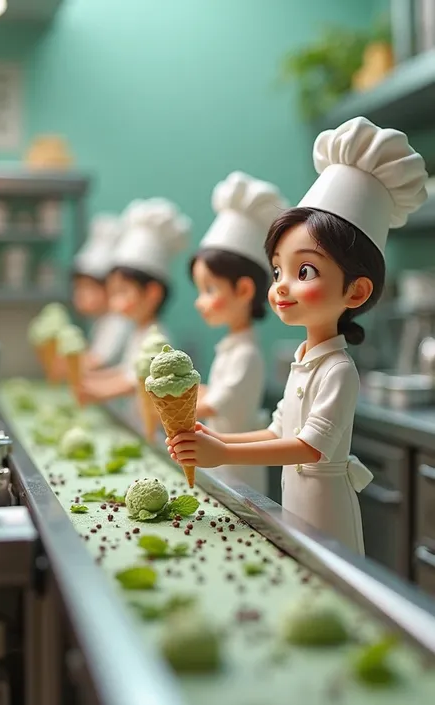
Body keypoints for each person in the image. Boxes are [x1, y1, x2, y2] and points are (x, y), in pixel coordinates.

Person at [167, 116, 428, 554]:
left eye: (303, 270)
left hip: (326, 506)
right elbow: (277, 429)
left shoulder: (339, 370)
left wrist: (224, 453)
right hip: (297, 501)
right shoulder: (307, 359)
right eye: (277, 270)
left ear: (356, 290)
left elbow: (308, 447)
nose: (281, 285)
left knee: (331, 577)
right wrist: (215, 442)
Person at [191, 171, 288, 494]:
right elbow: (213, 392)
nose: (200, 302)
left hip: (234, 460)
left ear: (244, 289)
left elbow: (218, 402)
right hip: (217, 457)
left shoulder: (246, 354)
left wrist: (175, 403)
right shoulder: (233, 346)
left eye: (208, 289)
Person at [80, 198, 191, 403]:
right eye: (112, 293)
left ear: (152, 293)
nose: (114, 303)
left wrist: (98, 390)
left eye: (122, 292)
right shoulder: (138, 333)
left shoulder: (158, 340)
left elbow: (136, 381)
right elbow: (125, 372)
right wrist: (92, 381)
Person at [72, 213, 131, 370]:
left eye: (89, 287)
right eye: (78, 287)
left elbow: (97, 362)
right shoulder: (100, 321)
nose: (80, 294)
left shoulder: (119, 322)